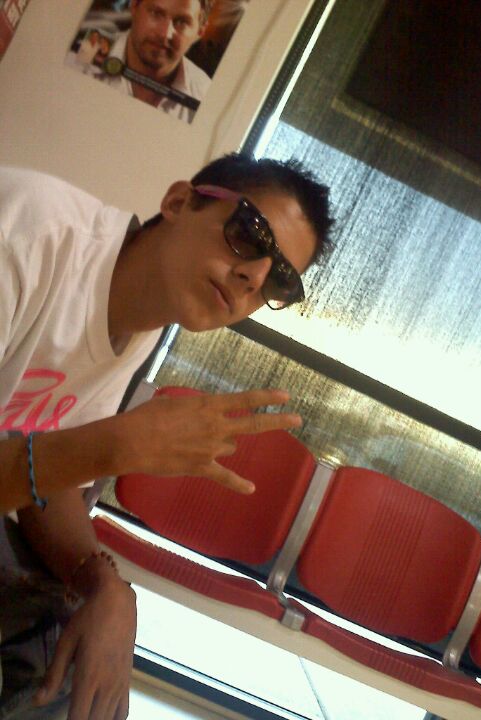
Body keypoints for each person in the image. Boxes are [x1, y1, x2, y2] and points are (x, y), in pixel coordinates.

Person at [0, 153, 334, 719]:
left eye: (279, 280)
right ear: (179, 202)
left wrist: (105, 584)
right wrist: (116, 445)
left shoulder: (140, 329)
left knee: (80, 664)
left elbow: (45, 477)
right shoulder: (32, 233)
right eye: (249, 234)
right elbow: (51, 459)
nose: (254, 278)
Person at [96, 0, 213, 123]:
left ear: (200, 32)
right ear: (134, 6)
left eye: (182, 22)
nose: (165, 34)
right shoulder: (83, 58)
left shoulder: (206, 97)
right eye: (156, 13)